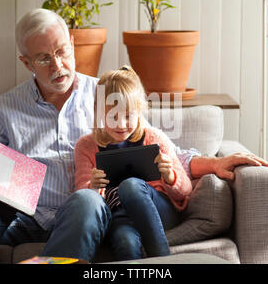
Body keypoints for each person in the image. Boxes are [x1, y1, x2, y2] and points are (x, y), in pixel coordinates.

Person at [0, 8, 268, 264]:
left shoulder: (106, 94)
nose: (58, 65)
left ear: (73, 44)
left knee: (87, 198)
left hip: (84, 211)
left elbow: (158, 150)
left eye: (63, 51)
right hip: (20, 216)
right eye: (43, 58)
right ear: (25, 62)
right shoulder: (5, 108)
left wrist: (216, 162)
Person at [74, 66, 192, 260]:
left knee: (130, 186)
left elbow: (185, 190)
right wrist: (92, 187)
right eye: (113, 116)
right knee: (125, 242)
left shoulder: (154, 138)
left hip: (157, 210)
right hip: (120, 217)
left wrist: (169, 175)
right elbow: (83, 199)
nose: (121, 124)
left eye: (128, 115)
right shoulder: (86, 146)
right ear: (97, 112)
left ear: (140, 111)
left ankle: (163, 259)